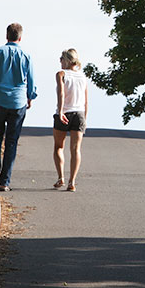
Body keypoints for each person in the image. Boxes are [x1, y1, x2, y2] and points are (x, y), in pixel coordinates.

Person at [0, 23, 36, 191]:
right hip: (18, 102)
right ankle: (5, 181)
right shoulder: (26, 56)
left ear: (7, 36)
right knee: (11, 142)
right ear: (20, 37)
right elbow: (31, 81)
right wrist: (30, 97)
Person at [52, 48, 88, 192]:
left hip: (65, 112)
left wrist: (60, 112)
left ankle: (61, 177)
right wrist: (85, 118)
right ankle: (72, 181)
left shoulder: (61, 74)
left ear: (66, 60)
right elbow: (86, 101)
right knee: (75, 149)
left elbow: (61, 93)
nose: (60, 61)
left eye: (61, 58)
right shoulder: (83, 77)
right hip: (79, 113)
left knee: (58, 147)